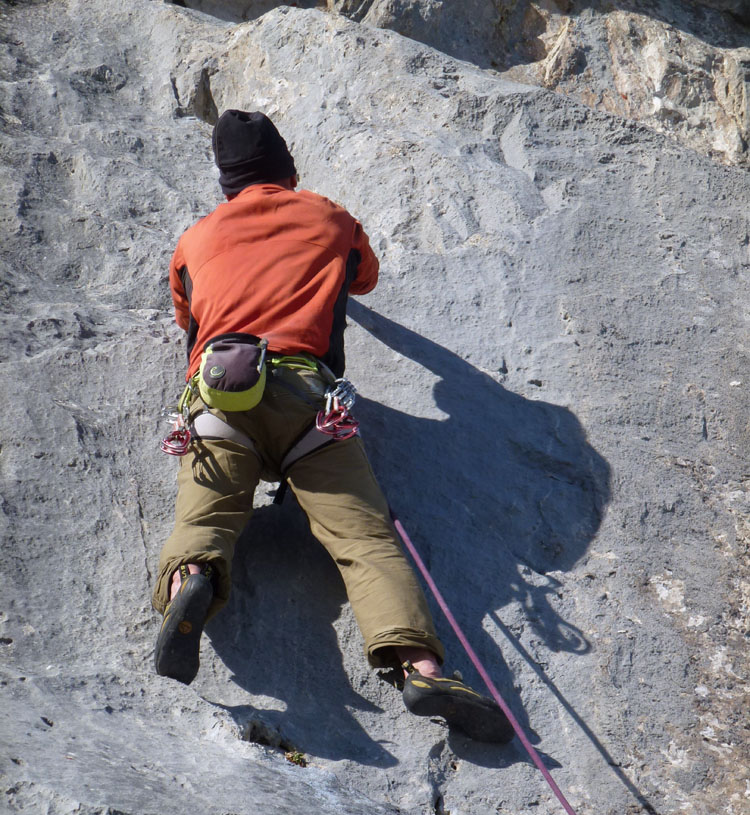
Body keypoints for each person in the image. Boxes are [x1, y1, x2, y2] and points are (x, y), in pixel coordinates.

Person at [152, 109, 512, 744]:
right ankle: (421, 668)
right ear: (288, 167)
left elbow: (186, 312)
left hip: (221, 395)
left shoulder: (195, 239)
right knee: (366, 540)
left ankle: (195, 581)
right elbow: (364, 277)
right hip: (309, 401)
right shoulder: (330, 218)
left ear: (224, 179)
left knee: (202, 522)